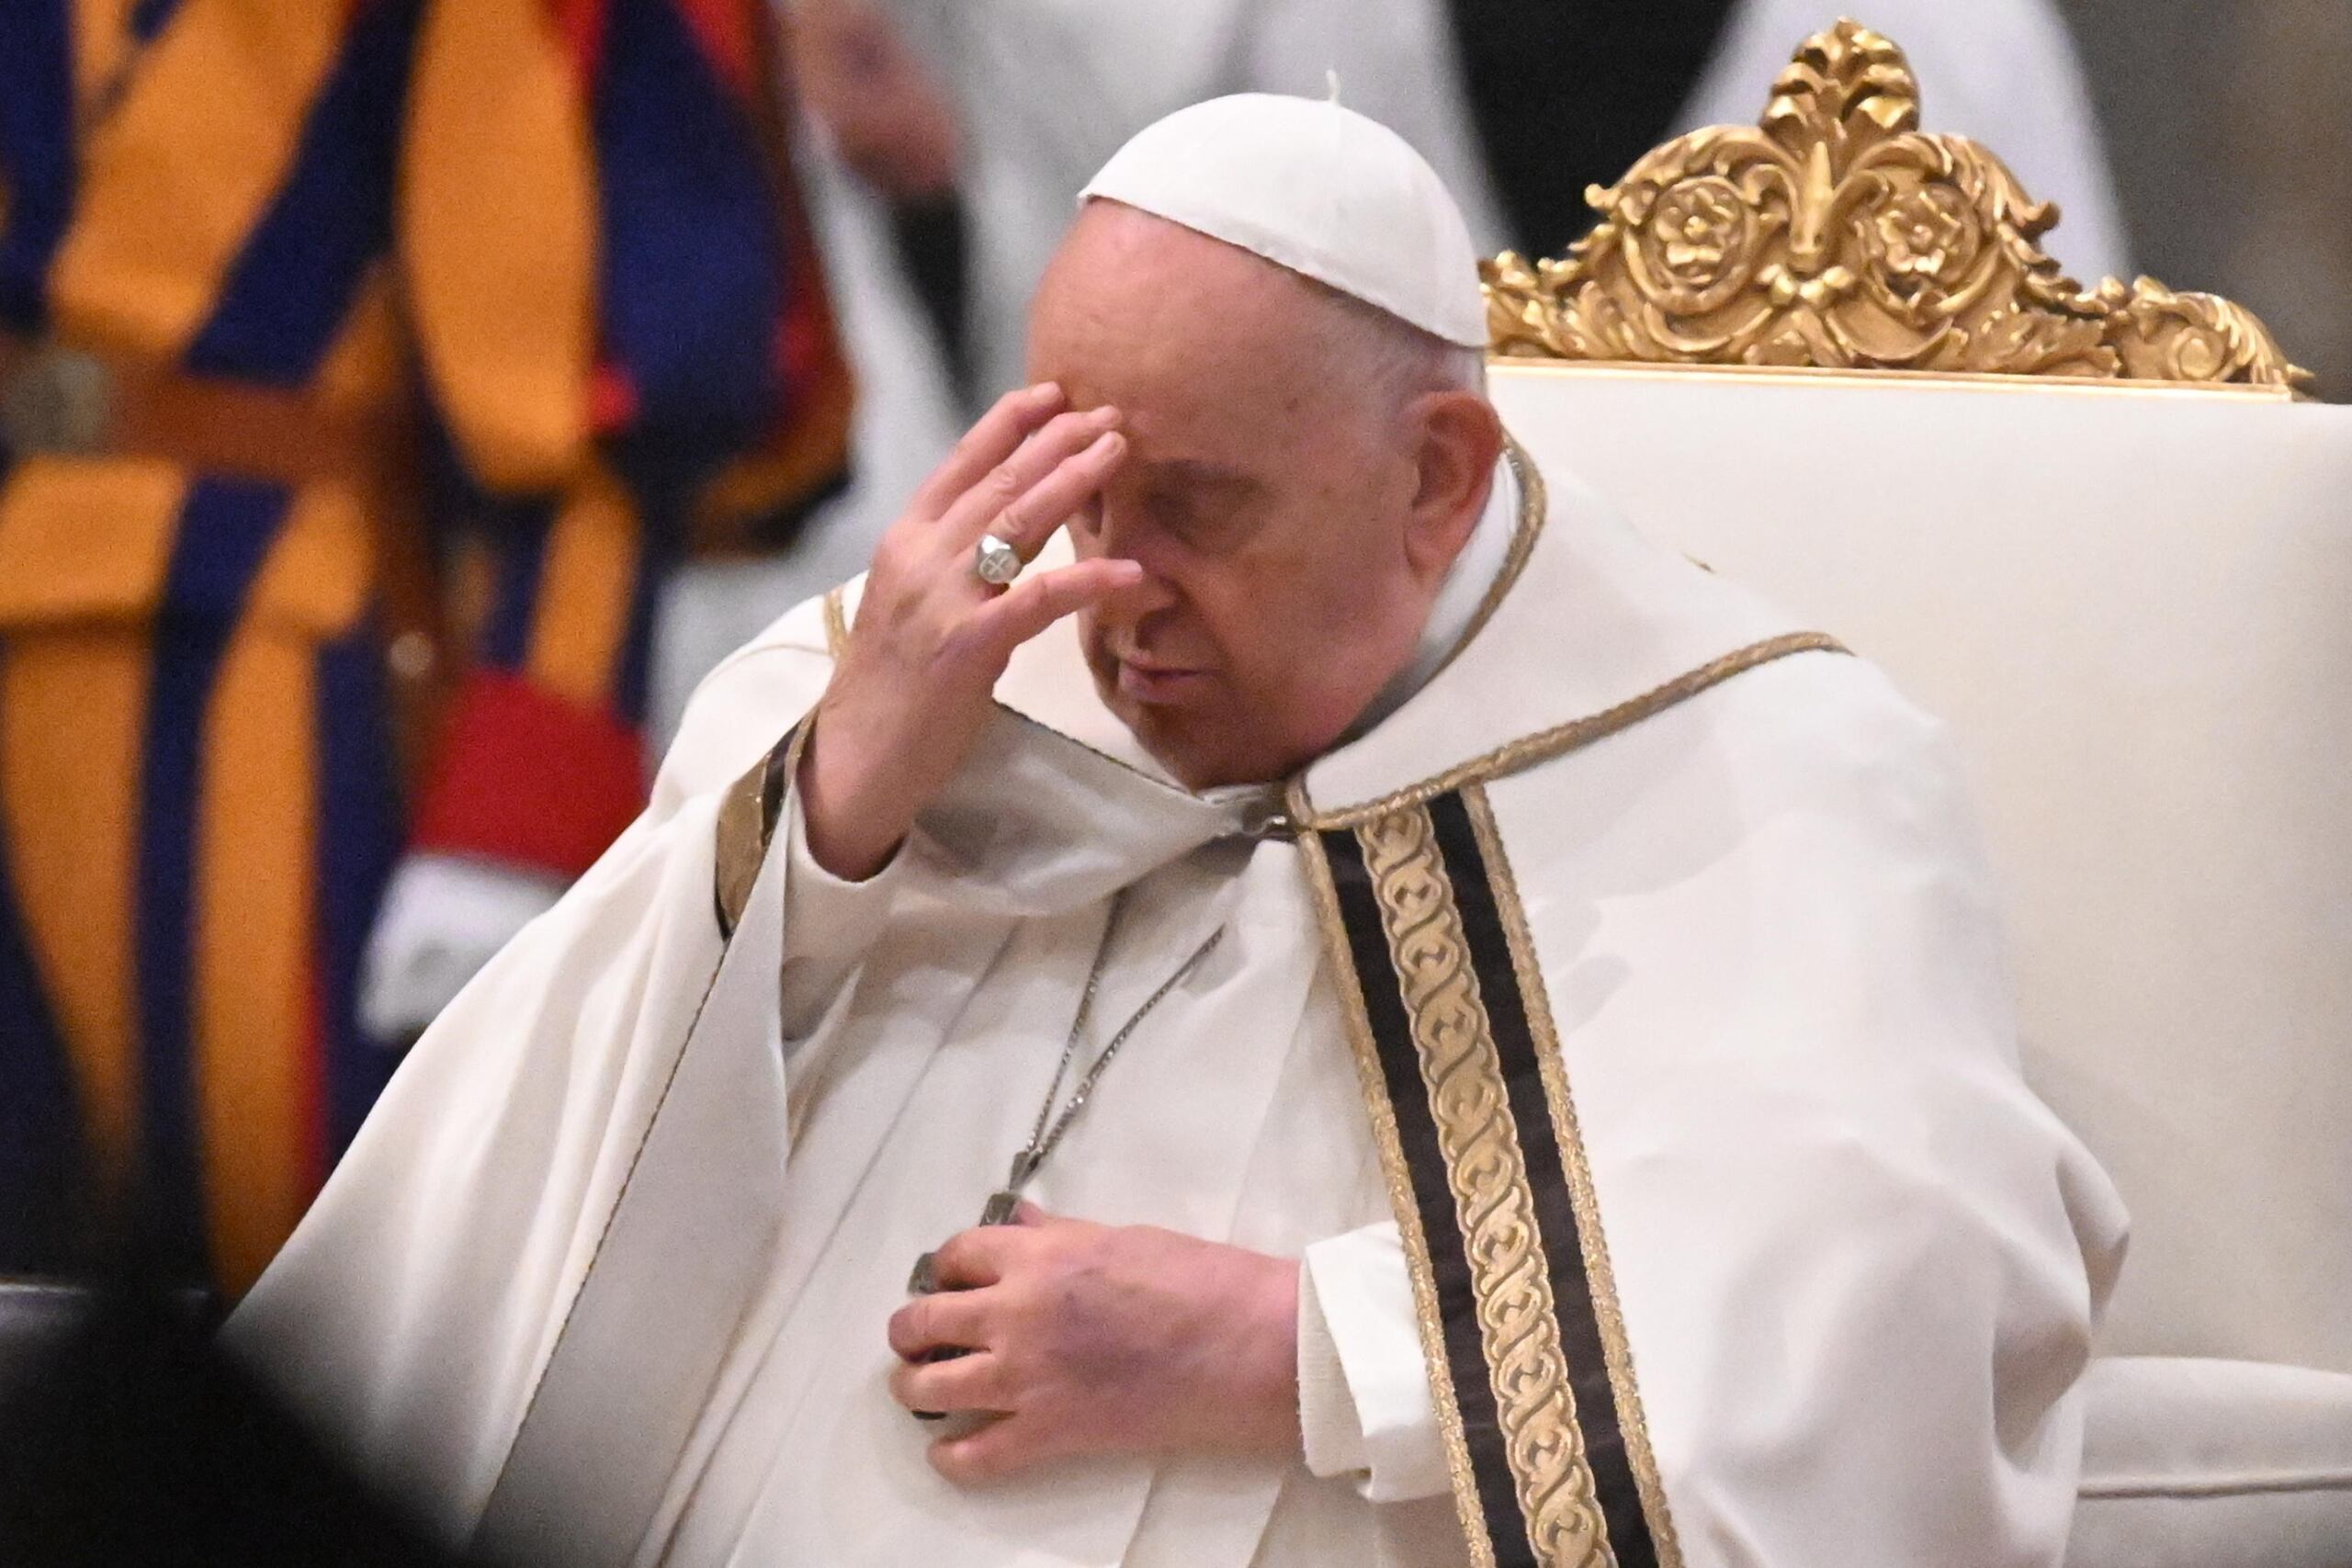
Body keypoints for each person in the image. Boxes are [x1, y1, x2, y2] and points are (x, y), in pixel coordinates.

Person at [229, 96, 2127, 1567]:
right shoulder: (916, 681)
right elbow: (486, 1251)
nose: (1109, 592)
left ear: (1433, 482)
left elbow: (1879, 1303)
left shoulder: (1766, 772)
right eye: (1076, 485)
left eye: (1196, 510)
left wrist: (1289, 1343)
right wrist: (821, 826)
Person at [0, 0, 849, 1293]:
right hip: (43, 614)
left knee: (297, 1301)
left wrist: (520, 800)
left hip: (301, 663)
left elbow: (602, 382)